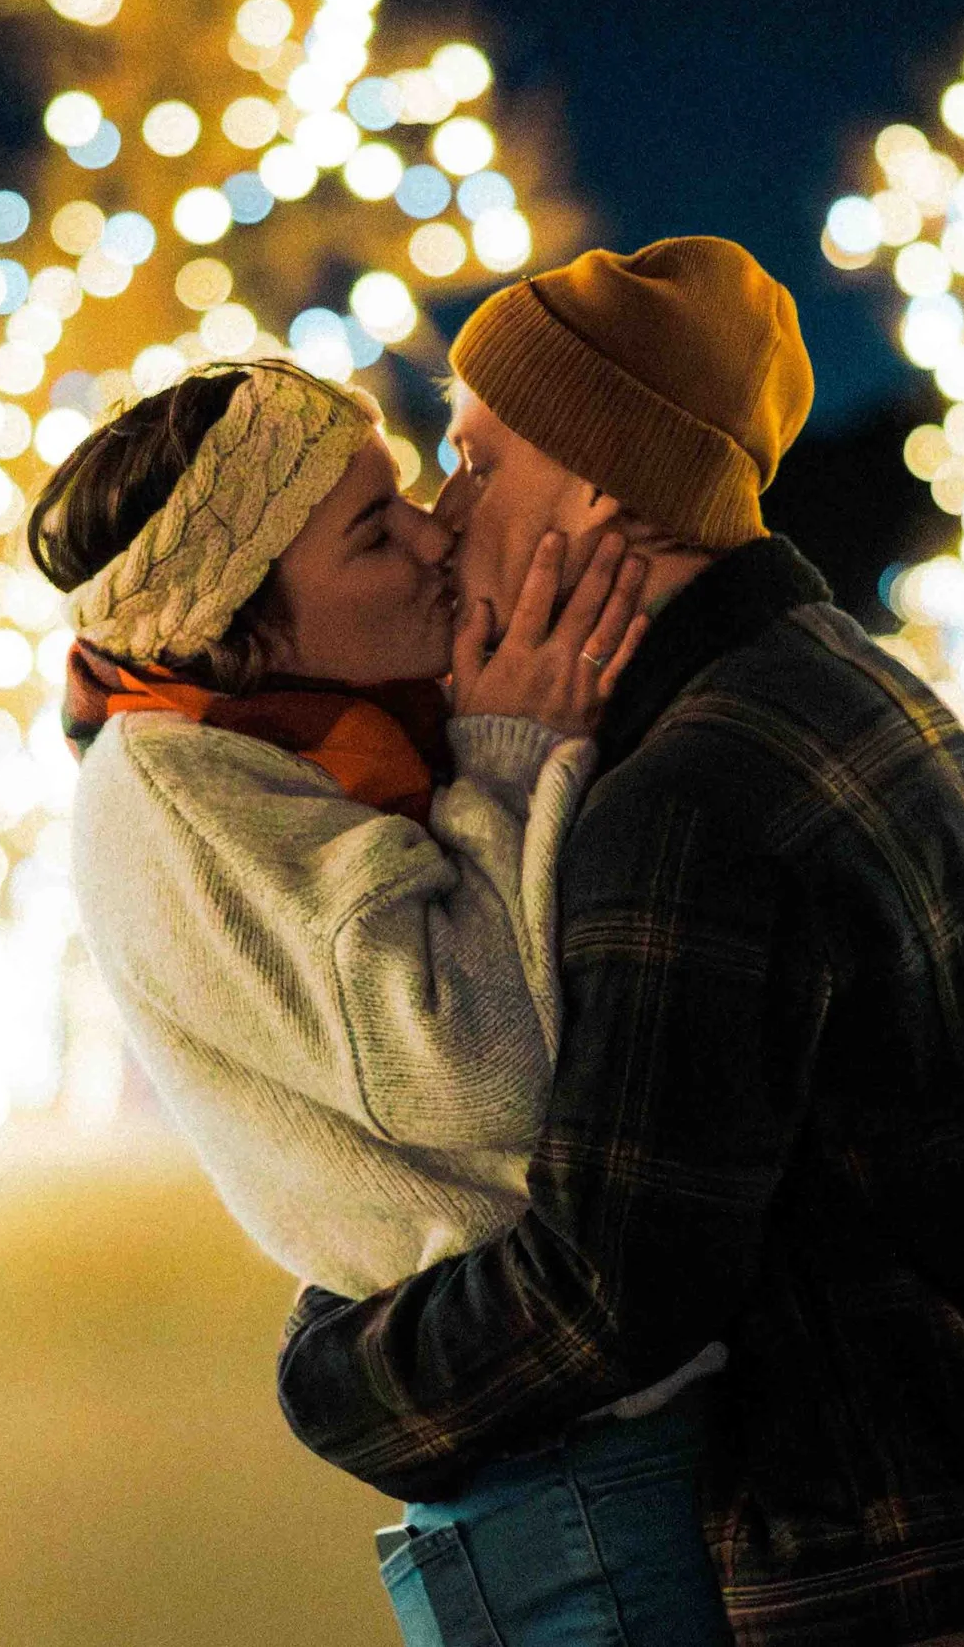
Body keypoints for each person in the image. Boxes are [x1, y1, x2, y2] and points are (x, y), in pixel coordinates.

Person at [276, 237, 964, 1646]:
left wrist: (335, 1366)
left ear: (600, 485)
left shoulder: (692, 796)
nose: (443, 518)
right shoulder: (832, 680)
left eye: (475, 464)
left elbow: (607, 1292)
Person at [37, 359, 735, 1643]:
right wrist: (513, 751)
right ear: (240, 626)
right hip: (574, 1478)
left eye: (407, 493)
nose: (433, 537)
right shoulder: (185, 787)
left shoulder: (310, 734)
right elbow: (473, 1064)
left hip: (588, 1441)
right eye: (373, 532)